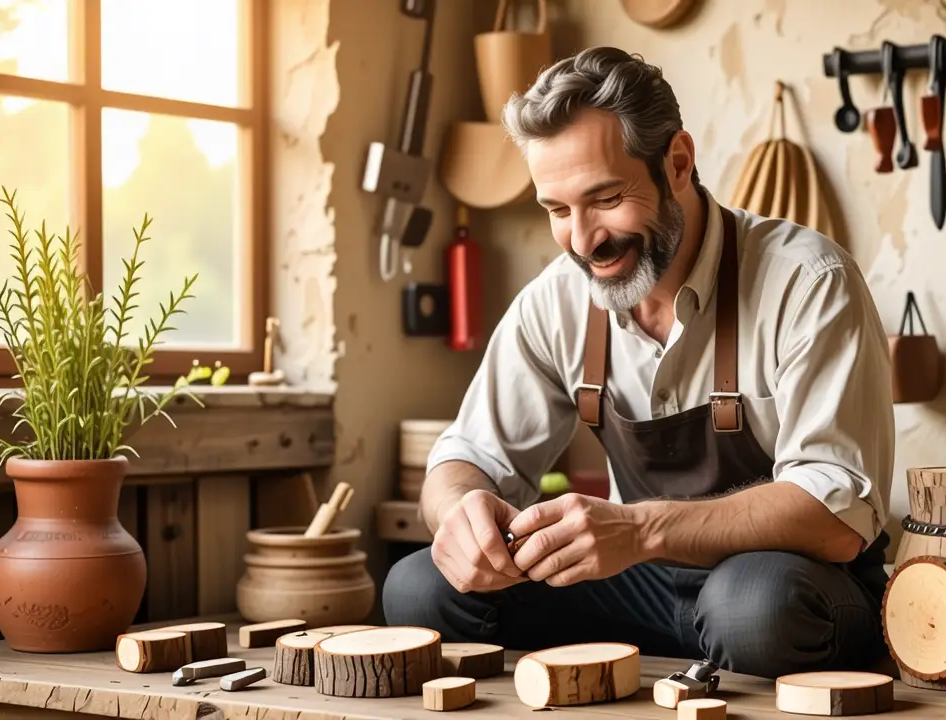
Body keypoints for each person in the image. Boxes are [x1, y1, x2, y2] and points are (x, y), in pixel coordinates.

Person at [382, 46, 895, 680]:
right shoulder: (555, 301)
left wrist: (638, 529)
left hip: (798, 587)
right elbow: (467, 459)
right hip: (636, 588)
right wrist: (462, 515)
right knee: (418, 587)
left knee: (751, 608)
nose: (584, 239)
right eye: (557, 210)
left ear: (678, 163)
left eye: (605, 198)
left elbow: (836, 514)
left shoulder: (808, 282)